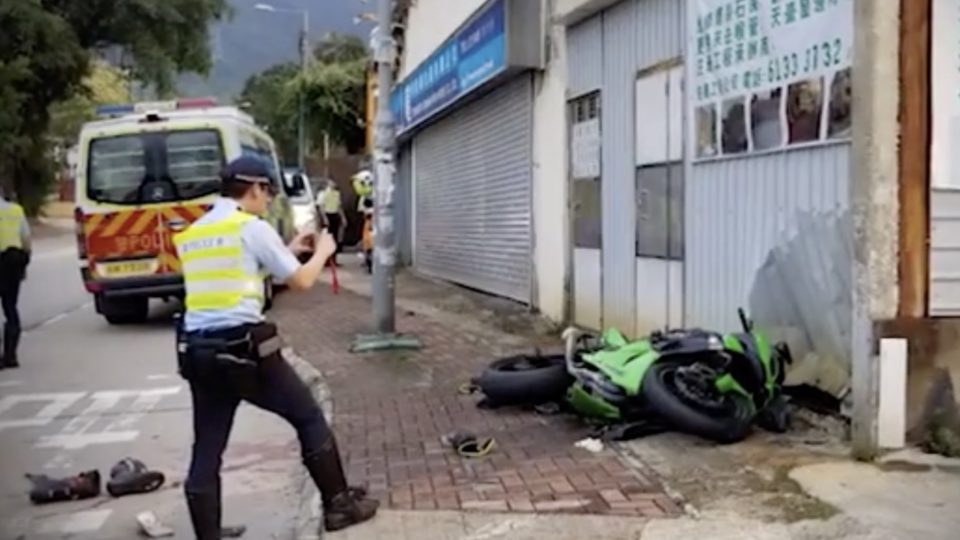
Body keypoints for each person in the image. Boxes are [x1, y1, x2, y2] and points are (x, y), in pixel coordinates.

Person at [173, 157, 378, 539]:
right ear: (254, 189)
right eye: (267, 191)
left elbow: (236, 273)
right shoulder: (250, 226)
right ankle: (339, 506)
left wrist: (287, 248)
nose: (268, 200)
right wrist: (322, 251)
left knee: (207, 447)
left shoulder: (196, 231)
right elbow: (300, 281)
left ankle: (208, 534)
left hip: (199, 352)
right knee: (309, 418)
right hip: (243, 351)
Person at [0, 186, 30, 369]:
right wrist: (24, 264)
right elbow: (26, 239)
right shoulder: (16, 210)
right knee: (11, 308)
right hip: (13, 262)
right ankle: (10, 355)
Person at [315, 180, 346, 265]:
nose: (333, 184)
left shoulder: (336, 194)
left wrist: (343, 217)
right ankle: (326, 260)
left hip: (335, 215)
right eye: (331, 183)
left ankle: (334, 259)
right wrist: (324, 218)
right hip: (327, 215)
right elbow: (321, 207)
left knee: (334, 238)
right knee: (327, 238)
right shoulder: (323, 194)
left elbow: (339, 206)